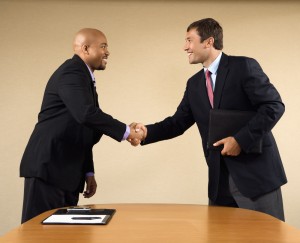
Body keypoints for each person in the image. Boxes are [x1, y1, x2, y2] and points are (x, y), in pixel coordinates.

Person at [131, 18, 287, 221]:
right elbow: (177, 122)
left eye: (189, 40)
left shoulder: (244, 67)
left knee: (268, 238)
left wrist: (240, 140)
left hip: (256, 178)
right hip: (219, 183)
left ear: (208, 41)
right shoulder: (194, 84)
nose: (185, 47)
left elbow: (273, 106)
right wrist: (146, 132)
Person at [20, 28, 144, 223]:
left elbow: (84, 128)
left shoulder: (84, 77)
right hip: (49, 168)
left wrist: (88, 171)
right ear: (85, 48)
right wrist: (127, 132)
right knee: (38, 234)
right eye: (103, 46)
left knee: (65, 236)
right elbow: (86, 114)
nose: (108, 52)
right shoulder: (71, 72)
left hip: (66, 171)